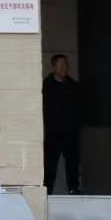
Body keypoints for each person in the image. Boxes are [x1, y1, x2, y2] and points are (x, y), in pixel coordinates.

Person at [42, 54, 84, 194]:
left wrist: (77, 124)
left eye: (65, 65)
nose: (63, 68)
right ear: (53, 67)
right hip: (53, 131)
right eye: (60, 65)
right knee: (50, 163)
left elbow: (81, 108)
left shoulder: (74, 87)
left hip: (70, 131)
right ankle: (47, 190)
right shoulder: (46, 86)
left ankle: (73, 188)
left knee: (73, 162)